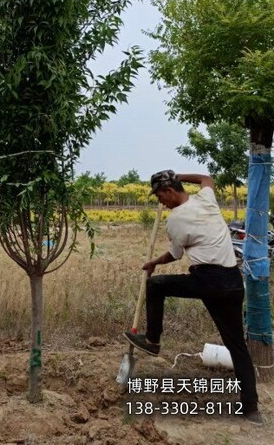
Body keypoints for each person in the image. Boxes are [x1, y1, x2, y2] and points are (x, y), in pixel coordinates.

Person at [123, 170, 262, 424]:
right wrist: (180, 174)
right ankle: (251, 409)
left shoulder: (176, 220)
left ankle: (153, 340)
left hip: (207, 280)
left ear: (170, 191)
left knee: (155, 285)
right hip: (232, 282)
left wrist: (154, 262)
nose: (160, 202)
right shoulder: (206, 199)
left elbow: (175, 254)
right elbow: (206, 178)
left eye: (160, 196)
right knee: (237, 347)